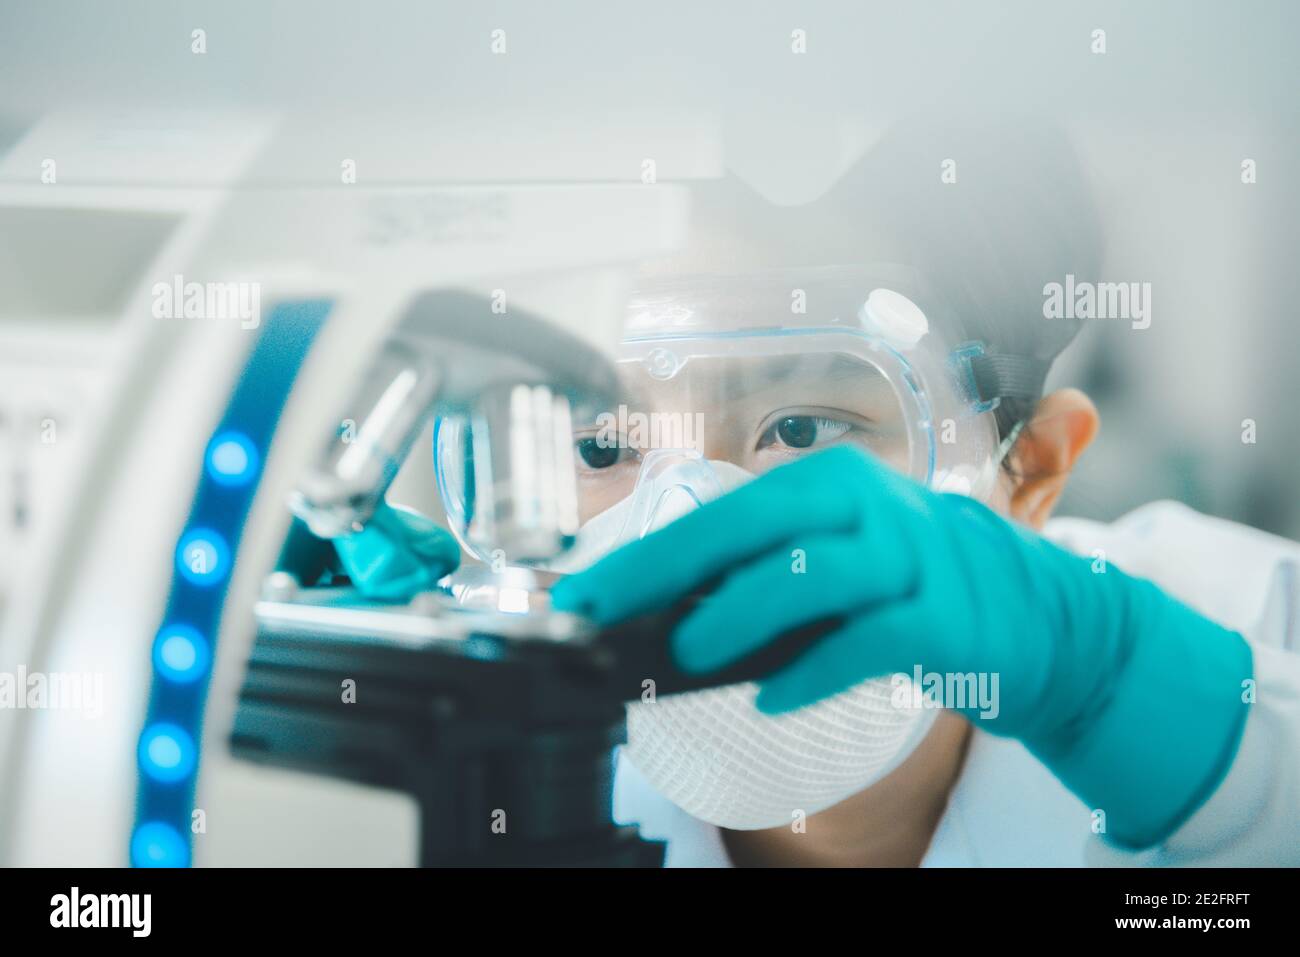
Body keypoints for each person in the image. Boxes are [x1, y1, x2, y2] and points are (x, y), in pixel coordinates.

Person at [323, 119, 1300, 866]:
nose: (683, 523)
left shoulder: (1253, 632)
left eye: (798, 432)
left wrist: (1113, 690)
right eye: (595, 445)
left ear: (1029, 469)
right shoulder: (503, 748)